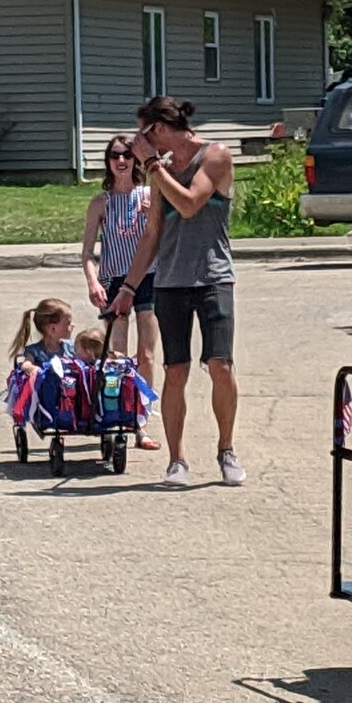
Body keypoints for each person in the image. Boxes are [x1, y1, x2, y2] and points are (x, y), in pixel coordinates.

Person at [109, 95, 241, 487]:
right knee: (176, 371)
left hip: (213, 277)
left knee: (221, 366)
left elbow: (188, 205)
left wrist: (152, 165)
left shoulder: (214, 156)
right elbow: (152, 234)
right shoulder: (159, 170)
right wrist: (129, 287)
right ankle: (177, 460)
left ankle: (227, 449)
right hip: (170, 282)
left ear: (160, 130)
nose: (137, 144)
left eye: (142, 134)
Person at [80, 132, 160, 446]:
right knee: (118, 355)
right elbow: (87, 251)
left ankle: (141, 421)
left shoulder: (148, 195)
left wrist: (153, 214)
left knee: (147, 355)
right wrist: (92, 282)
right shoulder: (102, 202)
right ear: (108, 162)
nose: (122, 161)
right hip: (114, 280)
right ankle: (116, 416)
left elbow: (165, 235)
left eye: (127, 155)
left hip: (148, 278)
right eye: (115, 156)